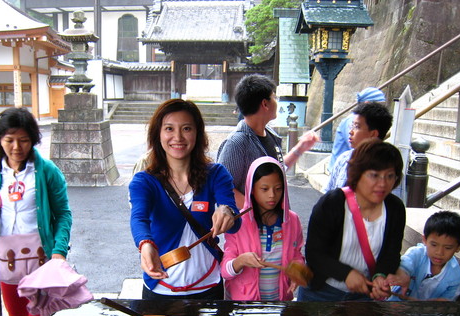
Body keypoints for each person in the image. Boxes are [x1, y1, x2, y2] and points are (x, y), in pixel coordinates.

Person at [129, 99, 241, 300]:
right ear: (158, 134)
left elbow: (234, 223)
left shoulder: (216, 174)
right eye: (169, 129)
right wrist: (145, 244)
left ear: (197, 133)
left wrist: (227, 211)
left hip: (209, 286)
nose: (178, 137)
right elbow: (139, 218)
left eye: (186, 128)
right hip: (159, 290)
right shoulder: (144, 181)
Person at [0, 107, 72, 316]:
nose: (17, 147)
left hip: (39, 259)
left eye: (24, 140)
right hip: (5, 259)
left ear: (33, 140)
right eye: (9, 140)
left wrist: (59, 251)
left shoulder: (47, 171)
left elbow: (63, 214)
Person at [298, 138, 406, 302]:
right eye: (374, 175)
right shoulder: (332, 203)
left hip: (363, 297)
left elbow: (391, 253)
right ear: (357, 173)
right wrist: (346, 274)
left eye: (390, 176)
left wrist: (380, 275)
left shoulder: (395, 208)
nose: (382, 183)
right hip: (321, 294)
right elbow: (315, 254)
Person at [217, 74, 319, 209]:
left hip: (274, 225)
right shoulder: (236, 143)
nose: (276, 102)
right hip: (250, 228)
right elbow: (223, 187)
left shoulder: (271, 135)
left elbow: (277, 170)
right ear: (265, 104)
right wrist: (259, 215)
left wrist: (300, 148)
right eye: (274, 98)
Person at [221, 156, 304, 301]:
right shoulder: (238, 222)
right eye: (264, 189)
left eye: (278, 189)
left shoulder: (292, 221)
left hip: (280, 302)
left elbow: (296, 255)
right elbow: (225, 271)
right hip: (244, 307)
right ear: (251, 189)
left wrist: (297, 271)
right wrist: (240, 261)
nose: (272, 195)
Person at [387, 211, 460, 301]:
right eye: (434, 245)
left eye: (448, 248)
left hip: (427, 314)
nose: (439, 252)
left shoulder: (455, 277)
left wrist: (430, 306)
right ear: (424, 240)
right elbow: (405, 266)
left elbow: (446, 303)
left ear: (459, 247)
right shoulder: (416, 255)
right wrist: (401, 274)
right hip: (395, 309)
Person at [323, 102, 393, 192]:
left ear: (373, 134)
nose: (350, 131)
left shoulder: (389, 167)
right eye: (351, 125)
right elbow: (327, 193)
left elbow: (391, 204)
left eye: (356, 126)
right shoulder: (344, 158)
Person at [328, 87, 386, 173]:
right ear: (367, 104)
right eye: (379, 104)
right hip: (341, 170)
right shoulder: (353, 121)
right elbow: (357, 147)